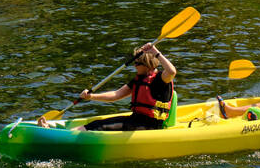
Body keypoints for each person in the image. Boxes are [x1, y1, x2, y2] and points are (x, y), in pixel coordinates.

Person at [37, 42, 176, 131]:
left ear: (147, 65)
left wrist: (156, 52)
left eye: (137, 63)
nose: (134, 66)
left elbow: (172, 71)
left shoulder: (160, 79)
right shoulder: (138, 80)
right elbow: (115, 95)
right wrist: (91, 97)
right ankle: (56, 131)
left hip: (150, 126)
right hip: (135, 120)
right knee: (96, 123)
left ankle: (58, 135)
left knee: (100, 126)